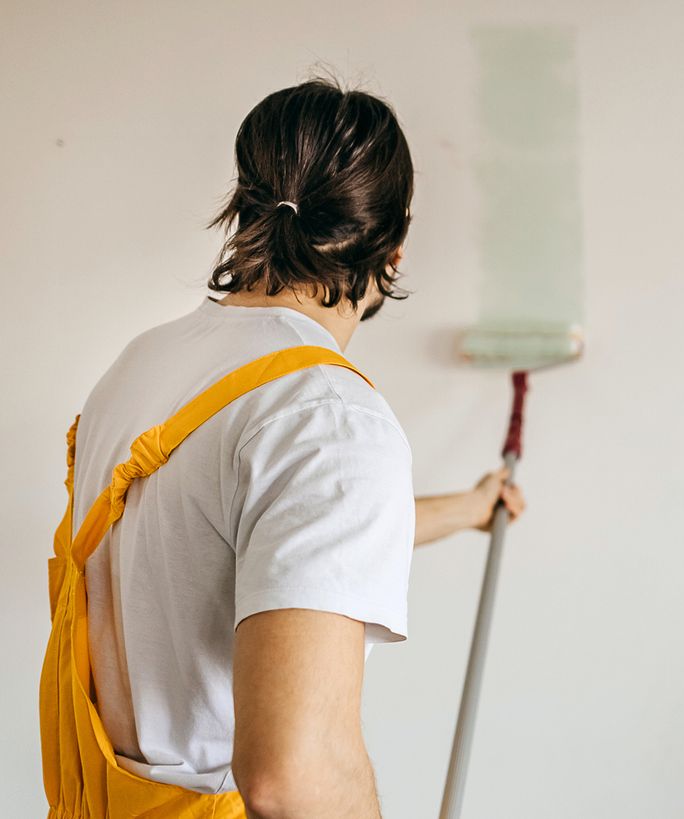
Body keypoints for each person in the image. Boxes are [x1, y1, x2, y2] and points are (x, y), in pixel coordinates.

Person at [40, 78, 523, 818]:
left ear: (246, 210)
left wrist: (466, 507)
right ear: (393, 250)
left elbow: (243, 535)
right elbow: (294, 775)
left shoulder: (141, 367)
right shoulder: (327, 419)